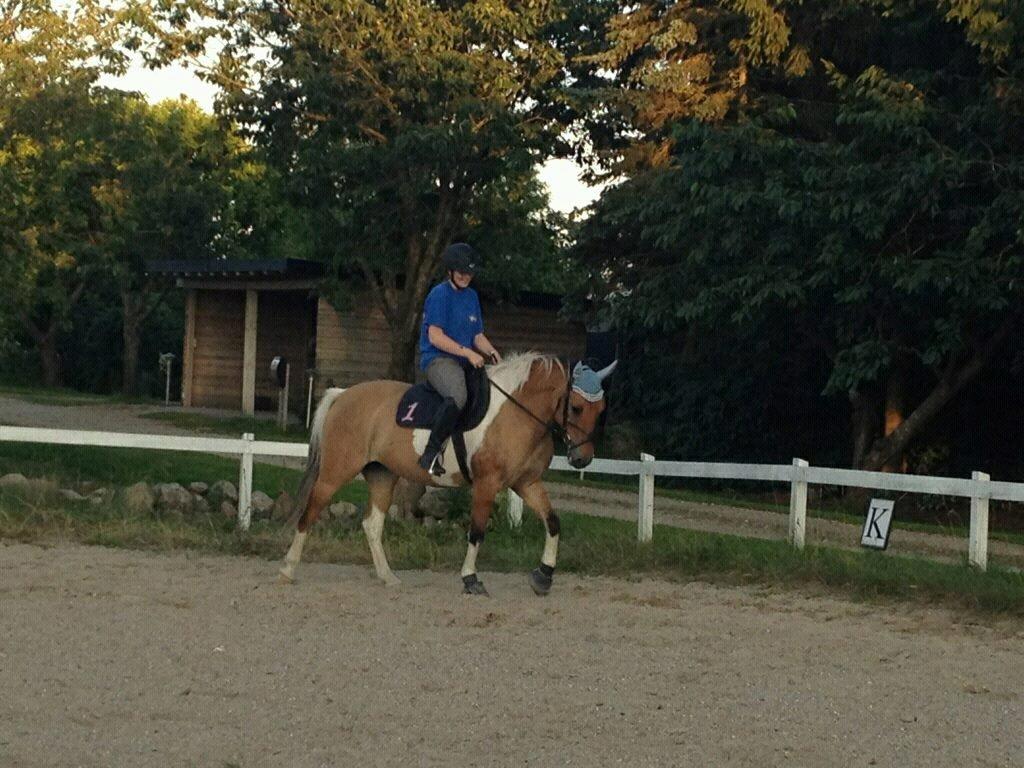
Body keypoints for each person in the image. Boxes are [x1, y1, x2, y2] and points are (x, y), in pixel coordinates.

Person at [416, 242, 502, 475]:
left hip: (467, 360)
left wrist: (491, 351)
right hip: (439, 360)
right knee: (458, 395)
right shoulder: (439, 295)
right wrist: (467, 352)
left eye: (470, 272)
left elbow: (477, 335)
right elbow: (435, 336)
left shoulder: (472, 296)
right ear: (450, 271)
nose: (466, 276)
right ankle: (431, 453)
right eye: (461, 271)